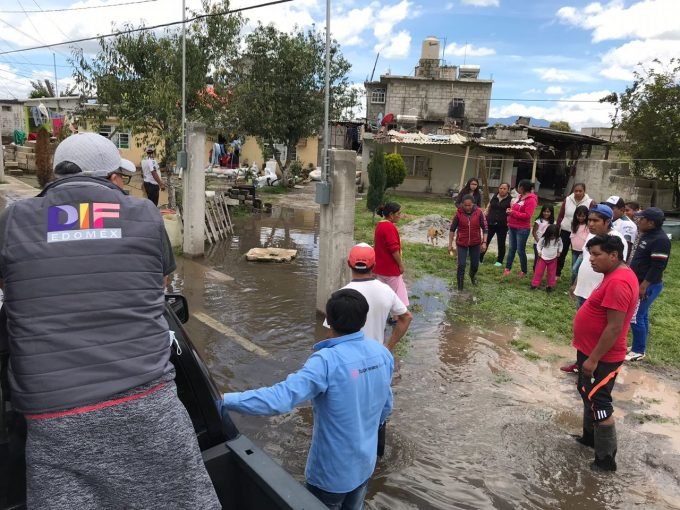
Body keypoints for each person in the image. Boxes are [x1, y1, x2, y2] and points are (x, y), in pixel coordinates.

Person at [0, 133, 220, 508]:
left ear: (55, 174)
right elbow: (159, 284)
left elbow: (10, 289)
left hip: (53, 419)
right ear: (112, 177)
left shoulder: (14, 219)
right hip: (148, 405)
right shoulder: (144, 215)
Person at [221, 289, 393, 510]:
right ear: (364, 318)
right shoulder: (382, 353)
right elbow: (386, 406)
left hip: (331, 475)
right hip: (364, 467)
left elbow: (280, 399)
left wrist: (227, 399)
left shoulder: (326, 361)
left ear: (328, 321)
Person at [572, 235, 638, 472]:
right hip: (590, 352)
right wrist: (583, 357)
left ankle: (605, 461)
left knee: (600, 403)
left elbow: (614, 327)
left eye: (597, 254)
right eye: (590, 254)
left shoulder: (619, 282)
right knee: (587, 394)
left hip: (603, 358)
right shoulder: (613, 275)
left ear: (614, 255)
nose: (591, 259)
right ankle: (589, 440)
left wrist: (593, 359)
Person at [562, 204, 628, 373]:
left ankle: (592, 365)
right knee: (584, 332)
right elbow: (585, 261)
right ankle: (579, 364)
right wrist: (576, 283)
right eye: (589, 220)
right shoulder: (592, 237)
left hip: (598, 294)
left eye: (595, 220)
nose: (590, 223)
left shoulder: (615, 240)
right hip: (584, 290)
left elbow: (616, 269)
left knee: (596, 333)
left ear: (607, 221)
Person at [329, 243, 412, 352]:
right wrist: (388, 347)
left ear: (349, 264)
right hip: (376, 356)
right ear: (374, 265)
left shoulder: (341, 295)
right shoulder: (386, 290)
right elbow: (407, 317)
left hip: (350, 358)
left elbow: (331, 333)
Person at [626, 207, 671, 362]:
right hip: (638, 282)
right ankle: (638, 345)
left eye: (642, 218)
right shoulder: (647, 235)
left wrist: (644, 286)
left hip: (647, 285)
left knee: (636, 316)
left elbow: (658, 266)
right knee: (642, 315)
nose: (639, 220)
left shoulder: (661, 240)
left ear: (651, 222)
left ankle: (638, 350)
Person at [448, 194, 488, 290]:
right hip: (462, 242)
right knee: (461, 264)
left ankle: (472, 275)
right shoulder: (459, 213)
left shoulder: (479, 212)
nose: (467, 207)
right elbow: (452, 229)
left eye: (469, 205)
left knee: (475, 264)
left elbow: (485, 228)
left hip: (475, 243)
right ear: (462, 204)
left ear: (473, 204)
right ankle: (460, 287)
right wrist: (450, 244)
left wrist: (484, 242)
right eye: (465, 205)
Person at [556, 183, 594, 278]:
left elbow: (592, 217)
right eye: (575, 191)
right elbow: (561, 215)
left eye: (580, 191)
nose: (577, 193)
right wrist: (557, 227)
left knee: (577, 253)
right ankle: (557, 273)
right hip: (566, 230)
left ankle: (577, 275)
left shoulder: (590, 202)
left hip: (580, 233)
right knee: (561, 252)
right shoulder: (568, 199)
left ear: (584, 191)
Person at [374, 202, 408, 307]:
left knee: (383, 295)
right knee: (396, 297)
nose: (400, 216)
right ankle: (396, 317)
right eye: (398, 213)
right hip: (390, 269)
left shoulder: (380, 225)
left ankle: (386, 315)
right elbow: (393, 249)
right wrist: (400, 265)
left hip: (380, 267)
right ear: (391, 214)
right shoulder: (389, 227)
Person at [504, 179, 538, 278]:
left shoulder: (531, 199)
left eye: (518, 186)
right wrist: (510, 211)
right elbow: (516, 209)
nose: (517, 188)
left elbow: (528, 215)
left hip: (522, 229)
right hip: (512, 226)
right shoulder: (520, 197)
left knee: (520, 250)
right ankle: (507, 268)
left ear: (522, 188)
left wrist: (512, 213)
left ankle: (524, 270)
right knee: (511, 249)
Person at [480, 182, 511, 266]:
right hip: (490, 222)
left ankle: (499, 261)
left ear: (508, 190)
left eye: (504, 189)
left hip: (502, 225)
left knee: (501, 242)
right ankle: (480, 257)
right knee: (485, 240)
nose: (502, 190)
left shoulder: (510, 199)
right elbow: (489, 206)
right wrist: (485, 212)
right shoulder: (495, 196)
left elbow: (511, 211)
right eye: (501, 188)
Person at [530, 224, 562, 292]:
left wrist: (559, 251)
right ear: (548, 233)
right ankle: (535, 284)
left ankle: (550, 286)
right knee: (538, 271)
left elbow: (561, 245)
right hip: (543, 258)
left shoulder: (558, 239)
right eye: (551, 235)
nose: (552, 237)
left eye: (554, 235)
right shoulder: (544, 238)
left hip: (553, 259)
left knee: (551, 273)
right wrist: (539, 251)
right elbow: (538, 245)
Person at [605, 196, 637, 262]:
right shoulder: (610, 220)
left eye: (611, 208)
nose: (608, 210)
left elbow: (627, 247)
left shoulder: (628, 224)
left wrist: (621, 264)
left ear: (622, 210)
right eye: (606, 207)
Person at [569, 205, 590, 283]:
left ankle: (577, 285)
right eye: (579, 216)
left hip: (583, 251)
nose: (581, 218)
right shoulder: (574, 224)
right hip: (574, 250)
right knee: (573, 268)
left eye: (583, 216)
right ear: (576, 215)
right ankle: (573, 284)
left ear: (586, 216)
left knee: (575, 268)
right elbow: (572, 236)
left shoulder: (588, 226)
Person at [532, 205, 554, 271]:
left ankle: (540, 271)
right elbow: (534, 232)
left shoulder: (552, 223)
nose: (546, 213)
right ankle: (535, 271)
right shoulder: (538, 221)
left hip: (547, 245)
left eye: (548, 212)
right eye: (544, 211)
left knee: (544, 259)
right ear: (542, 212)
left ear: (551, 213)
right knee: (538, 258)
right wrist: (539, 242)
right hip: (537, 244)